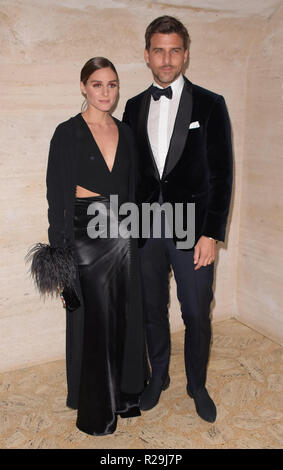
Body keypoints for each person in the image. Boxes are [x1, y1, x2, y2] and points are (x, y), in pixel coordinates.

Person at [26, 57, 147, 436]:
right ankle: (97, 411)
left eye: (112, 84)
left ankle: (125, 397)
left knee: (126, 316)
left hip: (124, 236)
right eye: (97, 84)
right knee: (94, 322)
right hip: (86, 238)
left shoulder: (127, 133)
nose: (106, 92)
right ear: (83, 86)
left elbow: (133, 191)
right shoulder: (67, 133)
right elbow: (56, 196)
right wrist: (61, 256)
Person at [123, 16, 233, 423]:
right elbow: (129, 173)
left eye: (174, 50)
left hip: (194, 231)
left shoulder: (210, 103)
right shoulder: (133, 107)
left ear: (185, 54)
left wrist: (212, 234)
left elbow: (223, 175)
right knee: (152, 308)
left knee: (195, 311)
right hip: (147, 227)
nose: (166, 59)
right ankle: (158, 377)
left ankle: (196, 383)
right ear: (147, 55)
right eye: (158, 50)